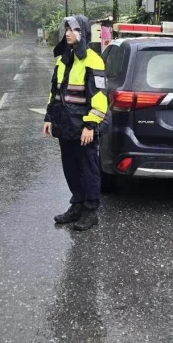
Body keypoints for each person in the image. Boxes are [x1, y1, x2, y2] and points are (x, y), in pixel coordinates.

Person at [42, 15, 107, 231]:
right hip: (64, 126)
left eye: (72, 29)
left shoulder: (93, 60)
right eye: (66, 29)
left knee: (88, 169)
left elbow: (99, 97)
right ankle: (77, 204)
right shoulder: (62, 60)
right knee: (70, 168)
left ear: (83, 33)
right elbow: (55, 92)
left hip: (83, 129)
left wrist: (91, 125)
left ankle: (91, 211)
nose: (67, 33)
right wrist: (49, 117)